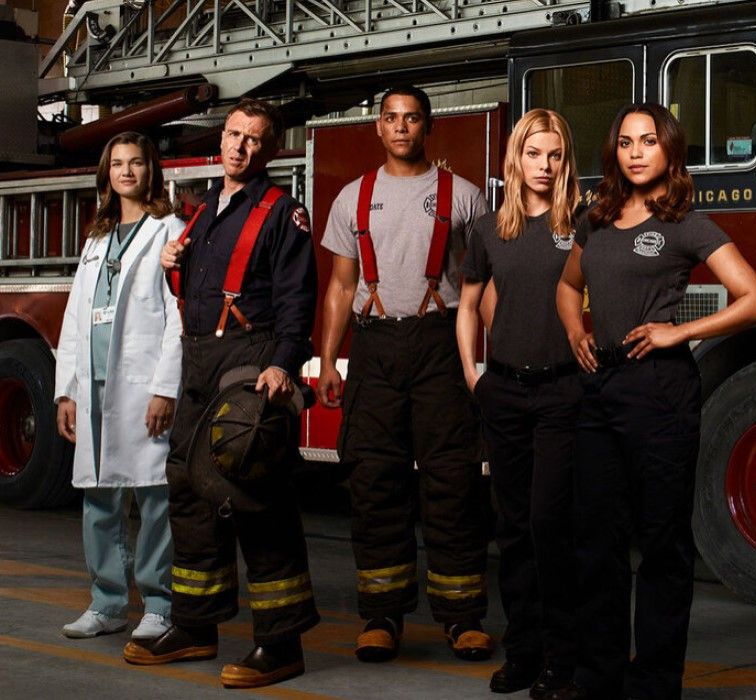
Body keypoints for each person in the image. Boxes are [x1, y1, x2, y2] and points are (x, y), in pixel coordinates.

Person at [557, 102, 756, 700]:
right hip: (600, 388)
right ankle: (597, 678)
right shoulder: (594, 219)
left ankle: (653, 685)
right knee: (596, 543)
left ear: (668, 150)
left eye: (647, 141)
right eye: (625, 141)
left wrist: (679, 332)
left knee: (661, 546)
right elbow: (568, 284)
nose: (634, 152)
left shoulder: (685, 222)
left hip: (660, 392)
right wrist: (576, 330)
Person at [126, 97, 320, 690]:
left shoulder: (282, 213)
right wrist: (169, 265)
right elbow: (199, 290)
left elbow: (297, 300)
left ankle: (280, 642)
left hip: (250, 362)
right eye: (235, 134)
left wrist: (284, 365)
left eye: (254, 139)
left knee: (254, 494)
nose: (241, 147)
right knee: (187, 489)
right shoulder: (207, 209)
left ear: (270, 149)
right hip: (198, 361)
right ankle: (195, 626)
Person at [316, 86, 494, 664]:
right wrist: (326, 360)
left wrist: (494, 365)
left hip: (439, 349)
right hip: (374, 349)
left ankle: (462, 617)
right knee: (373, 481)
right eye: (391, 119)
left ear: (428, 128)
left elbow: (482, 287)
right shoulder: (352, 198)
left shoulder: (462, 197)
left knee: (452, 480)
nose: (401, 128)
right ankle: (382, 616)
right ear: (378, 128)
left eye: (411, 119)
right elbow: (341, 286)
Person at [457, 108, 586, 698]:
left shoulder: (582, 224)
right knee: (511, 530)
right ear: (516, 158)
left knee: (550, 524)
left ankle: (564, 660)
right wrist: (473, 375)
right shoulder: (488, 229)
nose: (545, 164)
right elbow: (467, 306)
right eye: (535, 153)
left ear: (565, 161)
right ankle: (524, 653)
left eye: (555, 154)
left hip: (562, 392)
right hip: (503, 392)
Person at [53, 131, 182, 643]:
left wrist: (165, 388)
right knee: (99, 496)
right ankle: (107, 602)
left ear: (153, 170)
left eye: (137, 163)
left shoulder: (170, 230)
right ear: (107, 173)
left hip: (141, 382)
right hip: (96, 381)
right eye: (118, 164)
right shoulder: (96, 237)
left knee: (154, 496)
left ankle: (159, 604)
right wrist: (67, 390)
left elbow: (178, 316)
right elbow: (73, 318)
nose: (126, 172)